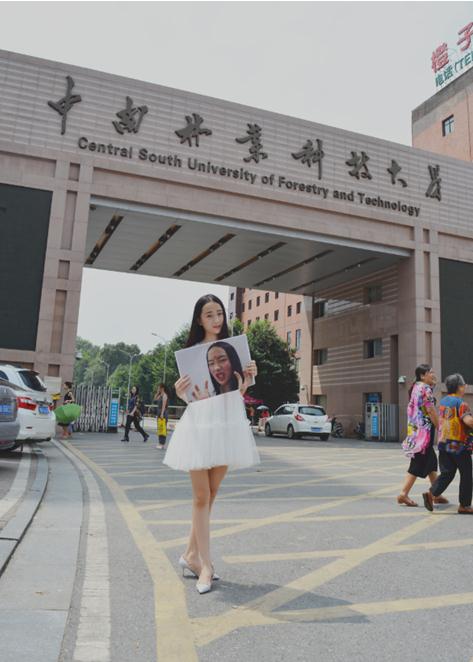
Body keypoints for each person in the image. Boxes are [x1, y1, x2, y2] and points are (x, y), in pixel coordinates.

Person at [163, 294, 260, 594]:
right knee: (201, 497)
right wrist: (180, 393)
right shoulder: (192, 354)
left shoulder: (233, 350)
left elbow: (237, 391)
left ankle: (190, 555)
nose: (216, 319)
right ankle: (205, 565)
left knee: (211, 493)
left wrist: (248, 380)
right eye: (209, 314)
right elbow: (190, 395)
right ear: (199, 319)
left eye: (219, 313)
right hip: (200, 425)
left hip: (228, 423)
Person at [398, 364, 448, 507]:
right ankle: (403, 494)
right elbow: (430, 410)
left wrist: (433, 384)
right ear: (422, 375)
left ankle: (436, 493)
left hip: (416, 431)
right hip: (423, 434)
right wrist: (440, 428)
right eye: (430, 372)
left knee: (431, 462)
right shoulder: (425, 388)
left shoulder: (416, 387)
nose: (433, 374)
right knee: (418, 463)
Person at [423, 373, 473, 514]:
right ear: (459, 387)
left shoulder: (444, 402)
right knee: (467, 474)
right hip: (459, 446)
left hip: (444, 444)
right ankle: (464, 505)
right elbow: (468, 421)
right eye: (463, 385)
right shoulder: (461, 404)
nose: (465, 387)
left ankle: (431, 494)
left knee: (447, 473)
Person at [154, 383, 169, 450]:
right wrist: (157, 393)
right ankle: (160, 443)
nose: (158, 389)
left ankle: (162, 444)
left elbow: (164, 405)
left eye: (159, 388)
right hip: (159, 412)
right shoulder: (160, 395)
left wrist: (162, 413)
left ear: (162, 388)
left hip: (163, 412)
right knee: (160, 428)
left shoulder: (165, 395)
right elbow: (155, 399)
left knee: (163, 428)